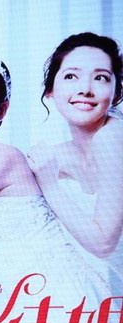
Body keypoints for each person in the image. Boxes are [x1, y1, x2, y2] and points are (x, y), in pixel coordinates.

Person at [28, 32, 123, 283]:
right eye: (71, 76)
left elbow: (103, 244)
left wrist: (50, 185)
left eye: (101, 78)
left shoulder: (112, 136)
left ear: (116, 93)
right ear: (50, 90)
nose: (85, 89)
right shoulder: (62, 154)